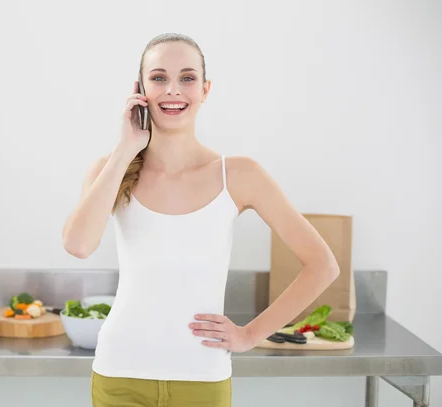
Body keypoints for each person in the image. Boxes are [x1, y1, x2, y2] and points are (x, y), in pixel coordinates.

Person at [62, 33, 340, 407]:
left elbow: (323, 265)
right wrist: (125, 149)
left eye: (187, 78)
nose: (173, 89)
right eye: (159, 78)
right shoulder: (110, 168)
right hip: (119, 374)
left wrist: (249, 335)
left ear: (205, 89)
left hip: (202, 380)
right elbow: (78, 245)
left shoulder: (238, 175)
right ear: (140, 89)